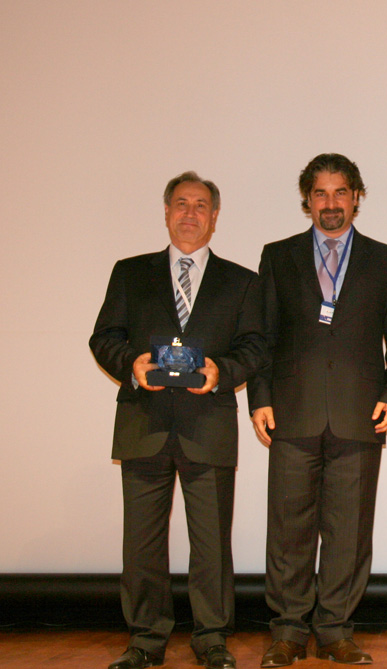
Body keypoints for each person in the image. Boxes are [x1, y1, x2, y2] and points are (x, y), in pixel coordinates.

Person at [90, 171, 267, 669]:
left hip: (208, 425)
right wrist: (131, 364)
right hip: (143, 424)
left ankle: (212, 638)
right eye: (182, 204)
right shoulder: (130, 272)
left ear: (214, 217)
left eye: (201, 205)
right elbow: (104, 336)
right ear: (167, 212)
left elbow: (255, 347)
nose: (191, 213)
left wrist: (221, 372)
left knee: (211, 543)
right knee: (142, 543)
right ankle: (145, 640)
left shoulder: (242, 281)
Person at [248, 153, 387, 667]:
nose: (330, 202)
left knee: (349, 532)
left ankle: (336, 630)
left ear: (356, 197)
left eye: (340, 191)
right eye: (320, 193)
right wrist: (260, 398)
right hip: (291, 413)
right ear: (307, 200)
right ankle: (288, 632)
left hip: (360, 415)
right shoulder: (278, 256)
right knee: (289, 531)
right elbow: (260, 336)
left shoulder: (385, 259)